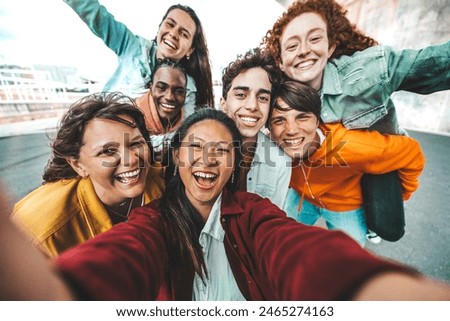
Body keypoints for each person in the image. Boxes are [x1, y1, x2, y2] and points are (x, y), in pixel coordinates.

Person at [2, 108, 450, 301]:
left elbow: (298, 251)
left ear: (235, 161)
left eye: (222, 150)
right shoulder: (151, 219)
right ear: (176, 157)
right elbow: (123, 254)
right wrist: (65, 297)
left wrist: (372, 294)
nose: (207, 160)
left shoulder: (252, 212)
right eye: (194, 147)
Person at [262, 0, 450, 242]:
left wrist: (391, 196)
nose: (303, 50)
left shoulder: (369, 72)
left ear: (331, 47)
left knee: (353, 257)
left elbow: (435, 63)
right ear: (280, 60)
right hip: (302, 196)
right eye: (292, 45)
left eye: (315, 38)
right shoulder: (277, 93)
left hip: (346, 202)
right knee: (277, 241)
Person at [268, 79, 425, 246]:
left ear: (317, 120)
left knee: (352, 256)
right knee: (283, 241)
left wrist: (398, 196)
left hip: (344, 205)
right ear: (270, 127)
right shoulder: (271, 145)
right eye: (279, 120)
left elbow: (411, 152)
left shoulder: (352, 146)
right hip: (302, 197)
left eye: (302, 117)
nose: (291, 130)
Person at [11, 92, 165, 258]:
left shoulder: (166, 181)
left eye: (136, 144)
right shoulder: (39, 233)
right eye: (108, 151)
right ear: (78, 165)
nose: (132, 160)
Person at [63, 0, 214, 115]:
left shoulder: (188, 89)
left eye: (183, 33)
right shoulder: (132, 46)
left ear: (190, 50)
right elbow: (95, 14)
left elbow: (180, 135)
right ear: (159, 28)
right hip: (99, 130)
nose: (173, 34)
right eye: (169, 24)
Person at [220, 48, 291, 209]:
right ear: (223, 104)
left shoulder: (280, 162)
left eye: (263, 98)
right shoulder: (200, 147)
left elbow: (272, 220)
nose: (252, 106)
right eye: (241, 95)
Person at [135, 58, 187, 163]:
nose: (169, 97)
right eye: (162, 88)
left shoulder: (185, 122)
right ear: (151, 87)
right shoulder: (131, 120)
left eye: (179, 91)